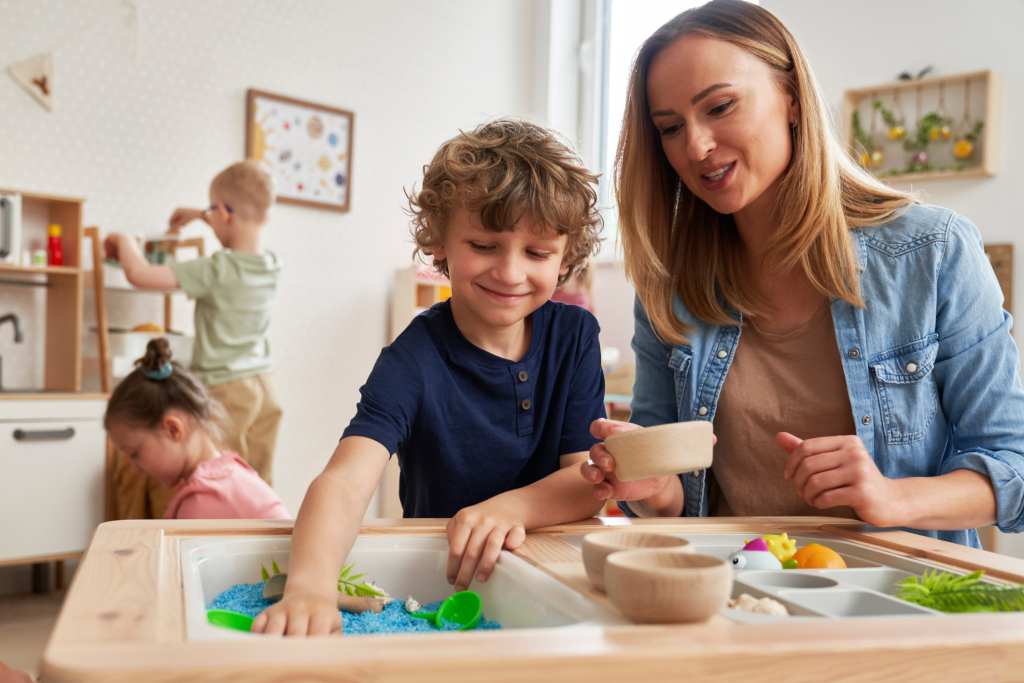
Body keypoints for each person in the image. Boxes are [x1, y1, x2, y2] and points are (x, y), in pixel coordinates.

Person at [581, 0, 1024, 548]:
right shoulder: (671, 285)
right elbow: (675, 499)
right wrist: (648, 487)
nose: (695, 146)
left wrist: (893, 497)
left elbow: (1013, 465)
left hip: (892, 598)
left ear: (790, 98)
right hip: (731, 591)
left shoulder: (933, 250)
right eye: (670, 128)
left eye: (719, 107)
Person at [253, 119, 606, 636]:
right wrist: (310, 586)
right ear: (439, 242)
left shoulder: (575, 335)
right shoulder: (412, 358)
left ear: (565, 257)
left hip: (551, 569)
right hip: (449, 585)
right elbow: (346, 482)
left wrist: (511, 507)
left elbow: (588, 479)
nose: (510, 273)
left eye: (536, 252)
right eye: (484, 245)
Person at [104, 160, 283, 489]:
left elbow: (140, 275)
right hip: (266, 387)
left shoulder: (217, 269)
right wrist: (203, 213)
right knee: (258, 482)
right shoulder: (271, 264)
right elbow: (238, 215)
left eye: (212, 212)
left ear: (224, 214)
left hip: (229, 387)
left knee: (220, 482)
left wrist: (124, 239)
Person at [104, 338, 288, 520]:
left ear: (173, 430)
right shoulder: (227, 474)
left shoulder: (201, 501)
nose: (135, 469)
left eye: (134, 454)